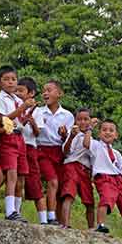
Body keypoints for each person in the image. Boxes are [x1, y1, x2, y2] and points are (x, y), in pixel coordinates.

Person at [83, 119, 122, 242]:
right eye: (104, 130)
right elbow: (86, 143)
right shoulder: (96, 145)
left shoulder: (116, 153)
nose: (107, 132)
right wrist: (89, 129)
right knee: (106, 198)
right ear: (99, 133)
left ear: (116, 135)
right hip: (104, 177)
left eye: (111, 130)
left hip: (118, 179)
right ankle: (101, 225)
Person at [0, 65, 33, 221]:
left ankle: (17, 210)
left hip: (19, 138)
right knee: (11, 173)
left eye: (13, 79)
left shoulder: (17, 99)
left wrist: (26, 116)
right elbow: (4, 119)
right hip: (7, 138)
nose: (10, 82)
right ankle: (9, 211)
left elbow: (18, 120)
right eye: (6, 79)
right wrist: (23, 107)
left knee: (21, 176)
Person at [36, 80, 74, 224]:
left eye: (49, 90)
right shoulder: (39, 112)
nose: (45, 93)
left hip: (59, 152)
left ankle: (58, 220)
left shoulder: (67, 115)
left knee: (58, 189)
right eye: (44, 90)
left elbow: (68, 139)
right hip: (43, 150)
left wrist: (64, 135)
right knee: (52, 181)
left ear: (59, 94)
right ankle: (50, 217)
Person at [15, 77, 47, 225]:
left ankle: (44, 219)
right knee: (17, 181)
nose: (18, 93)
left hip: (30, 147)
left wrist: (31, 121)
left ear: (31, 93)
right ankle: (15, 213)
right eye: (17, 90)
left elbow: (37, 133)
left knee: (34, 182)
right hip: (16, 145)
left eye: (21, 91)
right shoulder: (14, 106)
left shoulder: (38, 111)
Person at [61, 109, 97, 229]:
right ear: (75, 121)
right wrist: (71, 137)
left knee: (89, 201)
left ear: (90, 121)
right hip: (71, 166)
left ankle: (92, 228)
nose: (82, 122)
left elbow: (91, 155)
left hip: (85, 170)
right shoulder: (74, 134)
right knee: (69, 195)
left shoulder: (93, 140)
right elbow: (65, 152)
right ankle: (65, 224)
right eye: (79, 119)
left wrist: (92, 176)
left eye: (86, 119)